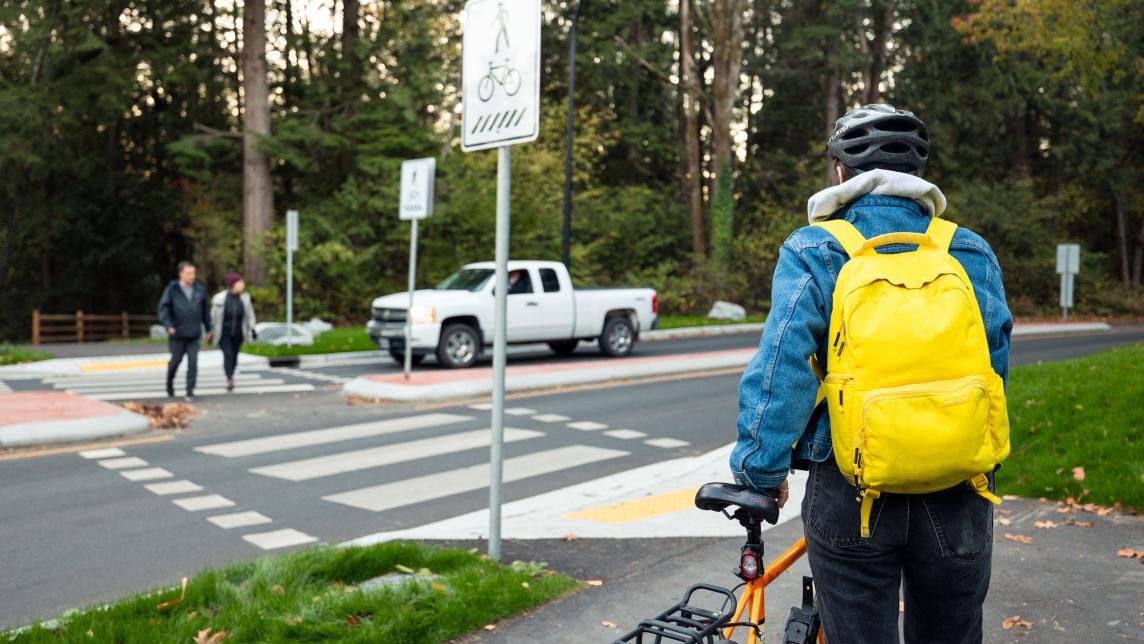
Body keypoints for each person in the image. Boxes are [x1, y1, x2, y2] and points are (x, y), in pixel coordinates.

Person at [731, 104, 1012, 643]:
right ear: (917, 173)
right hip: (959, 486)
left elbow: (781, 370)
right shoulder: (970, 250)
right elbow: (993, 370)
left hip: (851, 487)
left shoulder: (815, 248)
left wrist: (759, 474)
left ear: (840, 172)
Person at [158, 261, 212, 401]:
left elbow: (205, 311)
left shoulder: (199, 290)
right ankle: (169, 382)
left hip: (194, 334)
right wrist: (168, 325)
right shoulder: (172, 289)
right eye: (188, 273)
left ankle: (190, 391)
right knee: (175, 361)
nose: (192, 276)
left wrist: (208, 328)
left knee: (193, 363)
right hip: (177, 334)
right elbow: (164, 309)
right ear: (181, 274)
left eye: (193, 273)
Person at [210, 272, 257, 392]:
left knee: (235, 356)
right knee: (228, 355)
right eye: (240, 282)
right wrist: (210, 331)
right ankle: (229, 377)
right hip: (224, 332)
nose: (242, 284)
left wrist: (252, 328)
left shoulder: (245, 298)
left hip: (238, 332)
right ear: (232, 284)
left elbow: (250, 315)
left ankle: (231, 373)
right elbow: (213, 316)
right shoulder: (220, 298)